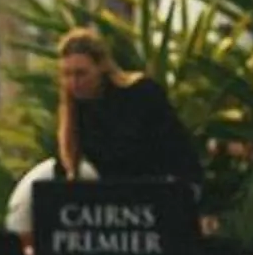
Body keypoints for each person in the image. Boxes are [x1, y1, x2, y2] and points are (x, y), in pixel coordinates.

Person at [56, 27, 199, 187]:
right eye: (67, 74)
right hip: (114, 195)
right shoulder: (77, 111)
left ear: (101, 67)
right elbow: (66, 167)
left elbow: (179, 151)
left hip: (157, 188)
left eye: (81, 73)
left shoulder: (141, 93)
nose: (74, 83)